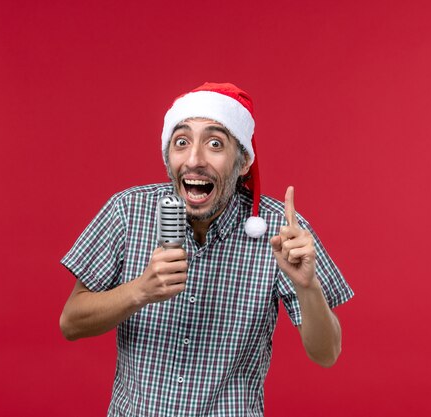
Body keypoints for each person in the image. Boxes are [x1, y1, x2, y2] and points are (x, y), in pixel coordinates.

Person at [59, 82, 354, 417]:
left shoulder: (280, 230)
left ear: (242, 162)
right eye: (181, 142)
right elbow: (71, 323)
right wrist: (139, 291)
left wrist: (307, 287)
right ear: (168, 157)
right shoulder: (128, 211)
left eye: (215, 143)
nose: (195, 159)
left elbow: (327, 353)